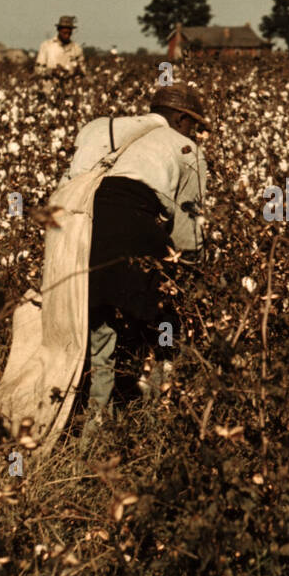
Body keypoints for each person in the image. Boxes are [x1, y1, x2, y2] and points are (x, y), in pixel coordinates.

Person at [79, 86, 210, 438]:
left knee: (99, 322)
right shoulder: (186, 149)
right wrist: (190, 270)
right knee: (163, 319)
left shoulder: (119, 133)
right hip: (135, 222)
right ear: (182, 119)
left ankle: (91, 423)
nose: (195, 134)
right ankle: (154, 420)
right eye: (194, 126)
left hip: (87, 226)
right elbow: (186, 229)